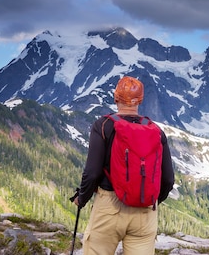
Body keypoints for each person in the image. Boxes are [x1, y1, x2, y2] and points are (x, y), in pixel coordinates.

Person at [73, 76, 174, 255]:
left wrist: (82, 198)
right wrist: (151, 201)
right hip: (144, 211)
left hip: (109, 206)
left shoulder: (103, 125)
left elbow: (92, 173)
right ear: (140, 100)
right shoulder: (156, 130)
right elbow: (167, 179)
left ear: (116, 97)